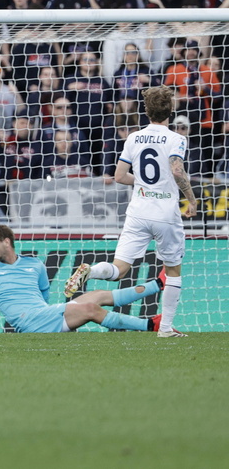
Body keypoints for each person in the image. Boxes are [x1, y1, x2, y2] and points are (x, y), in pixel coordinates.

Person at [65, 86, 197, 337]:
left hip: (138, 212)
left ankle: (91, 271)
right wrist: (191, 199)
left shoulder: (134, 138)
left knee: (118, 270)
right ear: (170, 111)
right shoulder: (177, 138)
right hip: (165, 213)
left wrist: (143, 183)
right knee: (173, 270)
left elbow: (118, 176)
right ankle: (166, 328)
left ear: (146, 112)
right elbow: (177, 171)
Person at [0, 225, 166, 334]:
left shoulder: (34, 264)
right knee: (91, 308)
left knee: (98, 295)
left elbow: (44, 295)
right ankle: (150, 325)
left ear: (6, 242)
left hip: (43, 314)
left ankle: (157, 284)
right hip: (28, 322)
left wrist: (51, 311)